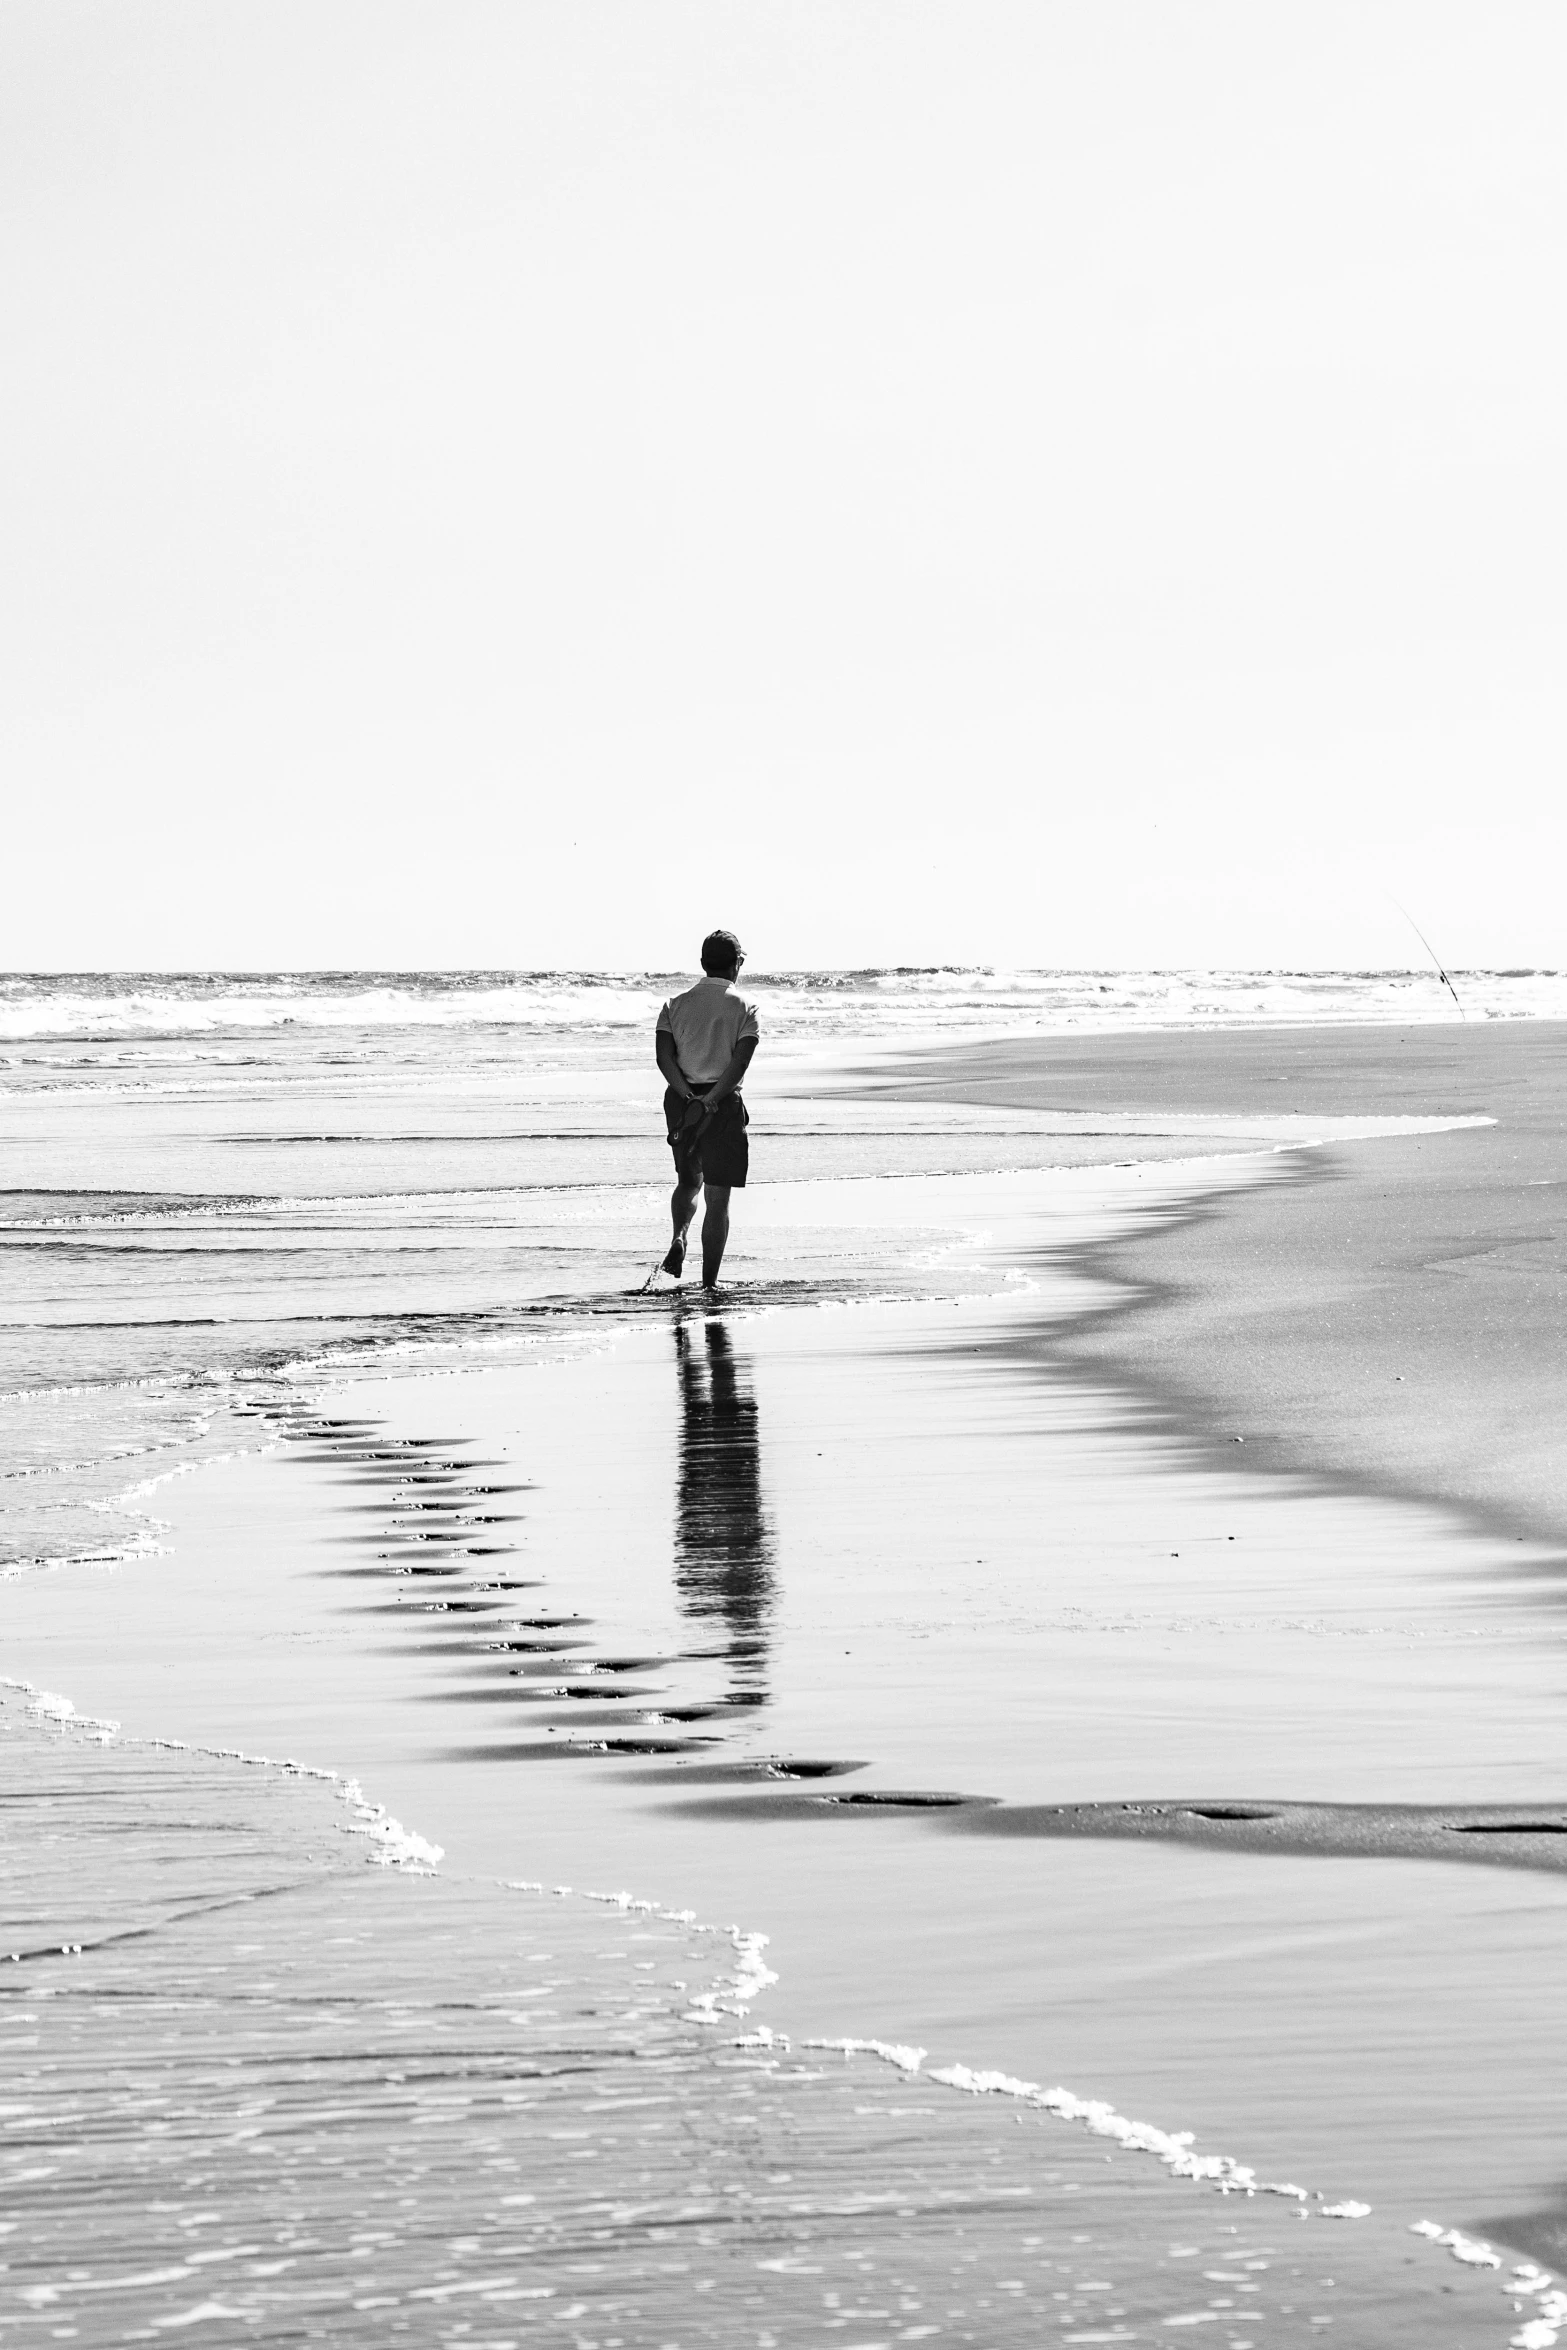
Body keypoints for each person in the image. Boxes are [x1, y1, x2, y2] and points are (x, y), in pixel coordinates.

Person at [655, 929, 759, 1287]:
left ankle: (679, 1237)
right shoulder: (745, 1007)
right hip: (722, 1104)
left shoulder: (675, 1004)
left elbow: (664, 1058)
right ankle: (709, 1283)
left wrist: (688, 1098)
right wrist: (711, 1101)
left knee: (687, 1183)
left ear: (702, 964)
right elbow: (739, 1065)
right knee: (718, 1198)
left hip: (681, 1103)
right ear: (737, 964)